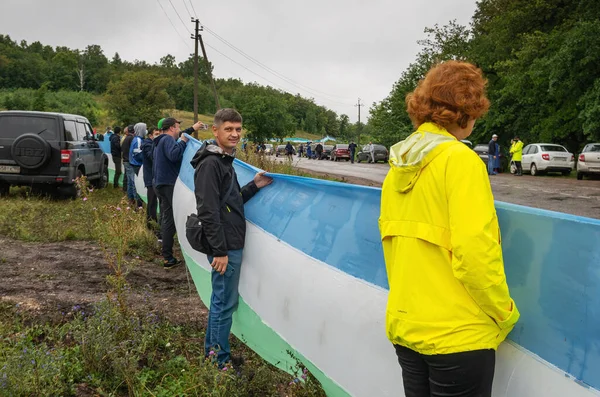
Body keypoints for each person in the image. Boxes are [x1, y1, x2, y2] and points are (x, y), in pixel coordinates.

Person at [379, 61, 519, 397]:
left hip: (407, 326)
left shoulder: (397, 166)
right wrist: (504, 312)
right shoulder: (461, 161)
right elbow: (475, 254)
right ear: (467, 112)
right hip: (458, 335)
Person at [190, 108, 272, 367]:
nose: (235, 134)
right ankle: (218, 363)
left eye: (238, 129)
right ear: (215, 131)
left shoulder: (224, 160)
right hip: (225, 246)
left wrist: (254, 186)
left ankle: (214, 355)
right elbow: (208, 211)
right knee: (224, 304)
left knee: (222, 301)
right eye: (228, 129)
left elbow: (231, 200)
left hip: (229, 242)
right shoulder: (211, 164)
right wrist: (220, 251)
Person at [153, 117, 204, 268]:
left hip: (160, 184)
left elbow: (180, 138)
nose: (178, 130)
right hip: (168, 184)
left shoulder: (159, 141)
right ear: (171, 128)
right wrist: (182, 142)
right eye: (177, 127)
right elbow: (174, 155)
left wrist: (192, 129)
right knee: (173, 219)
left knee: (168, 219)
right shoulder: (167, 140)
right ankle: (172, 255)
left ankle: (167, 256)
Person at [142, 126, 161, 235]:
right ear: (150, 136)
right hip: (150, 177)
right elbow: (152, 157)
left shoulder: (149, 143)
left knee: (152, 202)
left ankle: (151, 223)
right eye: (156, 134)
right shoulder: (148, 144)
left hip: (152, 176)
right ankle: (152, 224)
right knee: (152, 202)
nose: (158, 136)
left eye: (159, 134)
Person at [121, 125, 137, 204]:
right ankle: (136, 201)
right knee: (134, 182)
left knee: (129, 181)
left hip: (125, 161)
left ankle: (130, 199)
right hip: (130, 161)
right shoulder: (132, 139)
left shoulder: (125, 138)